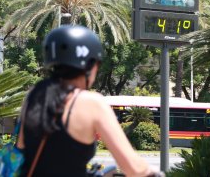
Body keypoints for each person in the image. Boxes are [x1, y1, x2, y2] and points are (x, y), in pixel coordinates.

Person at [16, 25, 164, 177]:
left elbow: (21, 145)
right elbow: (133, 168)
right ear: (90, 65)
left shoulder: (34, 95)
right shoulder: (92, 103)